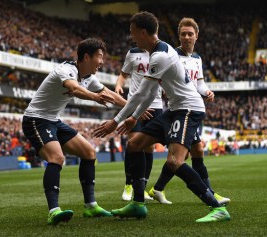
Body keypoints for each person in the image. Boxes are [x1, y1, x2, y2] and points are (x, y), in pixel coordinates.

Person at [93, 12, 231, 222]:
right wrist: (134, 117)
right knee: (136, 143)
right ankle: (138, 203)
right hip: (175, 109)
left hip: (188, 109)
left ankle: (216, 208)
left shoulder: (160, 56)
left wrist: (116, 121)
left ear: (143, 32)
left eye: (133, 33)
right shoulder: (160, 51)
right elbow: (149, 94)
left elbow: (140, 94)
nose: (132, 38)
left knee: (175, 161)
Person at [22, 38, 127, 225]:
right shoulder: (66, 70)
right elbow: (74, 88)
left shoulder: (89, 78)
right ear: (86, 57)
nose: (102, 62)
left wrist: (134, 107)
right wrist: (94, 97)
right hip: (36, 120)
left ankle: (91, 206)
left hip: (53, 120)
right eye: (99, 57)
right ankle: (53, 211)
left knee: (89, 152)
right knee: (57, 158)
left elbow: (110, 94)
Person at [148, 17, 231, 205]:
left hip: (192, 108)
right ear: (179, 36)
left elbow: (199, 84)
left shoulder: (197, 59)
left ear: (196, 36)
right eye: (183, 34)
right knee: (187, 154)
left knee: (191, 152)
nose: (186, 37)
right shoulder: (171, 56)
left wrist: (207, 91)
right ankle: (209, 193)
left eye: (190, 34)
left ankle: (157, 189)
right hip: (179, 109)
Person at [115, 46, 163, 202]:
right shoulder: (133, 52)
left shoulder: (162, 52)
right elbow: (123, 74)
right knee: (133, 141)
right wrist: (118, 85)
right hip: (134, 103)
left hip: (155, 106)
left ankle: (141, 188)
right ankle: (129, 184)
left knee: (149, 147)